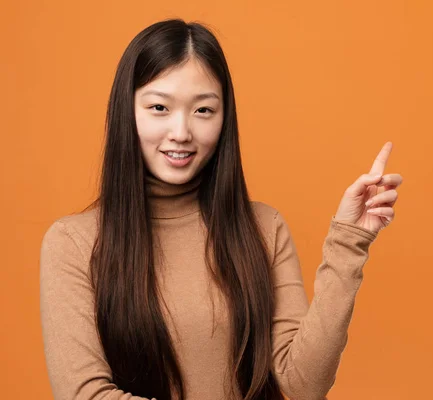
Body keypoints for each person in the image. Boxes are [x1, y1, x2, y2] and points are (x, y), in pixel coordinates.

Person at [39, 18, 403, 400]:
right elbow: (84, 394)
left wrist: (350, 241)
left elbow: (300, 387)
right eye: (159, 107)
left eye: (203, 111)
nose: (181, 132)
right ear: (126, 111)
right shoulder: (74, 243)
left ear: (224, 118)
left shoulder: (264, 227)